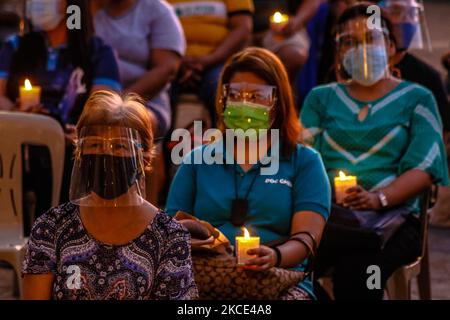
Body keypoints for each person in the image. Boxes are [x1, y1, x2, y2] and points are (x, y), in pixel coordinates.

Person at [300, 3, 449, 300]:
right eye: (350, 42)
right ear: (339, 53)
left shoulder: (418, 98)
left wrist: (378, 198)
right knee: (285, 264)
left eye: (371, 38)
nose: (362, 49)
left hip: (395, 219)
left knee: (359, 269)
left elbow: (425, 167)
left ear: (392, 47)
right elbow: (304, 159)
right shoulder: (321, 98)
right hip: (328, 215)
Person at [166, 47, 331, 299]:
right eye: (236, 95)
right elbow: (171, 230)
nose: (245, 104)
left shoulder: (305, 162)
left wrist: (274, 256)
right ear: (223, 100)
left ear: (277, 103)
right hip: (205, 277)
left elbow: (306, 238)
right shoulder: (197, 160)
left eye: (257, 96)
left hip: (279, 279)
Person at [22, 90, 198, 300]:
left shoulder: (169, 236)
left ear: (145, 159)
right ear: (80, 155)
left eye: (120, 146)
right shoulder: (51, 227)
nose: (105, 154)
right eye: (95, 144)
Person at [0, 0, 121, 225]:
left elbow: (103, 107)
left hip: (72, 148)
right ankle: (17, 231)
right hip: (17, 147)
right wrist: (18, 113)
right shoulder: (15, 46)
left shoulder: (97, 52)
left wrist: (79, 132)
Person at [94, 0, 185, 140]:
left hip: (145, 103)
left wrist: (117, 106)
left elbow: (167, 69)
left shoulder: (158, 10)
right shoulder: (82, 10)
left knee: (120, 126)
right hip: (90, 100)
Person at [168, 0, 253, 126]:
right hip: (168, 62)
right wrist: (176, 63)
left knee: (223, 90)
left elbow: (243, 28)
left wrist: (211, 59)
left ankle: (224, 141)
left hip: (218, 61)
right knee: (155, 89)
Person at [380, 0, 450, 136]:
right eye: (397, 12)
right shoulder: (356, 73)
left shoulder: (428, 77)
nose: (406, 21)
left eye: (412, 14)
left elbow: (444, 133)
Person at [252, 0, 322, 83]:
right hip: (250, 31)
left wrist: (297, 21)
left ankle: (280, 89)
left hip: (285, 31)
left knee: (295, 55)